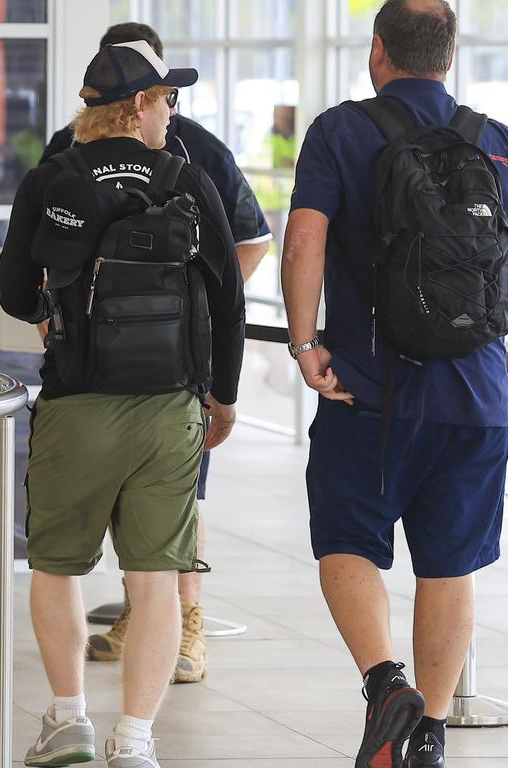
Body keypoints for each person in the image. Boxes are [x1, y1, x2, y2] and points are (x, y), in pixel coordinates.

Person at [0, 41, 244, 768]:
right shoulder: (185, 179)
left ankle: (68, 719)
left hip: (76, 402)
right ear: (137, 104)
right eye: (166, 98)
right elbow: (228, 299)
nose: (172, 110)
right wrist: (221, 397)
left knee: (57, 567)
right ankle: (134, 740)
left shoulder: (51, 179)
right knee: (156, 577)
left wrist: (51, 306)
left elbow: (15, 293)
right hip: (169, 409)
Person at [281, 2, 508, 767]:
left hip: (370, 391)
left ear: (378, 50)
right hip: (479, 395)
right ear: (448, 53)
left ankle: (386, 689)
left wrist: (306, 343)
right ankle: (431, 739)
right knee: (450, 565)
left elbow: (304, 236)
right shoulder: (495, 143)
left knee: (348, 541)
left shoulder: (343, 131)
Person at [50, 22, 271, 683]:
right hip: (95, 364)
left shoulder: (198, 151)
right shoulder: (66, 151)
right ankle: (142, 617)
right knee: (125, 495)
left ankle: (187, 621)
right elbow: (42, 260)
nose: (166, 102)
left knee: (179, 499)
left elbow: (251, 243)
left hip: (171, 362)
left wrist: (194, 310)